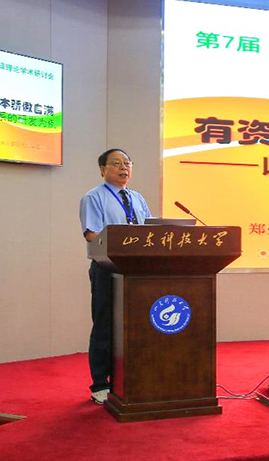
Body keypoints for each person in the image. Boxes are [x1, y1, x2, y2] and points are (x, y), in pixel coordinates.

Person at [79, 148, 151, 404]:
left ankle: (131, 378)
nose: (124, 168)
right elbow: (91, 234)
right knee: (105, 326)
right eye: (116, 163)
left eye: (127, 163)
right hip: (107, 269)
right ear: (103, 169)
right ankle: (100, 384)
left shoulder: (138, 198)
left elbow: (149, 232)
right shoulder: (93, 197)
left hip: (137, 271)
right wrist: (121, 241)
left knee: (136, 326)